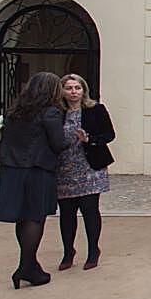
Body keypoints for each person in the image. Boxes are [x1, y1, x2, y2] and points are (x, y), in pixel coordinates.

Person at [0, 72, 73, 288]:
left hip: (12, 169)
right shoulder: (50, 112)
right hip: (36, 169)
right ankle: (26, 267)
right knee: (35, 217)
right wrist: (73, 137)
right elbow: (58, 144)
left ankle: (30, 264)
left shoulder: (14, 111)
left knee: (22, 216)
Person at [55, 73, 114, 272]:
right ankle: (68, 251)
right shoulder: (57, 112)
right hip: (64, 168)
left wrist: (89, 139)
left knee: (90, 210)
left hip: (90, 167)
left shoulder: (95, 109)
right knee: (67, 213)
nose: (73, 92)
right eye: (69, 88)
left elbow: (109, 134)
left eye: (77, 88)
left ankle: (93, 250)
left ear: (83, 90)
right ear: (62, 91)